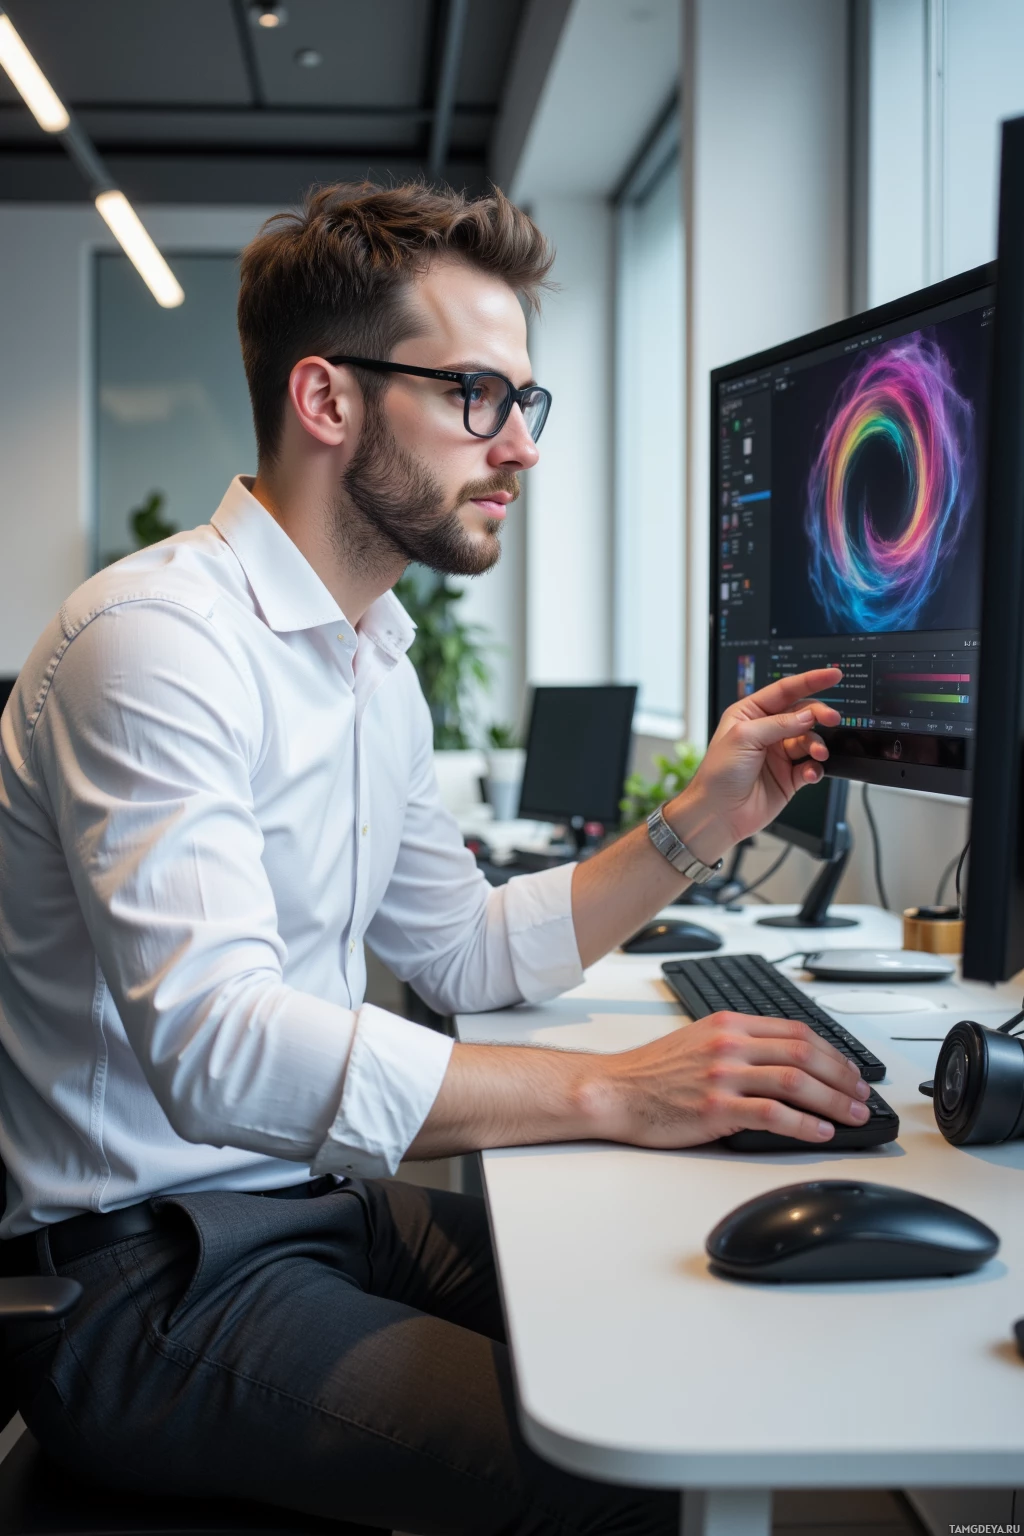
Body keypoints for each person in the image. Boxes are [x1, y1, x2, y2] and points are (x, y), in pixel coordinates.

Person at [0, 182, 864, 1535]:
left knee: (664, 1307)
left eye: (529, 401)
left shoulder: (373, 665)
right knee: (619, 1476)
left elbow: (459, 946)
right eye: (478, 394)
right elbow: (219, 1046)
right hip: (144, 1282)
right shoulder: (154, 644)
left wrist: (703, 821)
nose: (521, 447)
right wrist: (611, 1091)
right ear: (329, 403)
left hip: (313, 1207)